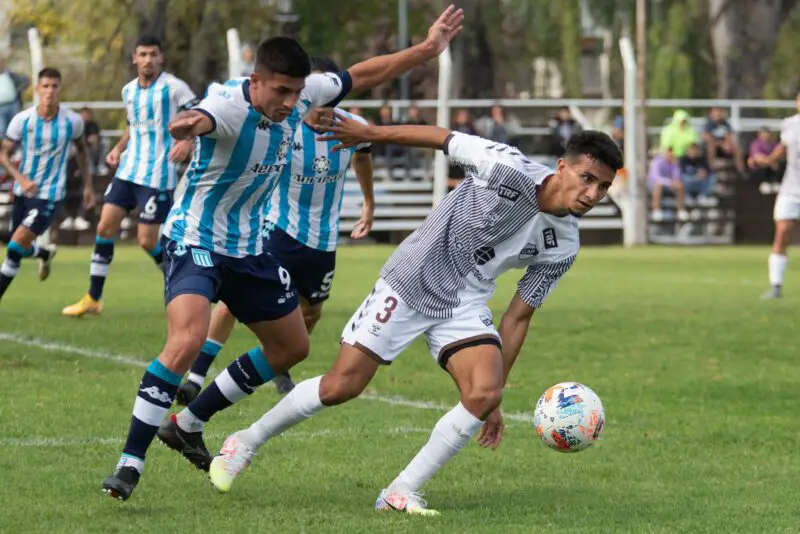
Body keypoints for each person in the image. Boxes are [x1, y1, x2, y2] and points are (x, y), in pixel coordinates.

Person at [101, 5, 464, 502]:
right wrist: (186, 128)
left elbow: (365, 72)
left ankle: (187, 423)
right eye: (280, 92)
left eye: (297, 92)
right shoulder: (229, 106)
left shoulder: (303, 96)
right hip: (196, 239)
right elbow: (200, 116)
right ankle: (130, 460)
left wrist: (426, 49)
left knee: (292, 348)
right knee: (185, 339)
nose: (290, 103)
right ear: (256, 81)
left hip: (249, 248)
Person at [201, 114, 623, 515]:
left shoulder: (564, 244)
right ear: (563, 166)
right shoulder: (505, 168)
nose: (592, 194)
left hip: (466, 299)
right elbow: (441, 138)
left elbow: (516, 318)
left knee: (482, 391)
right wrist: (372, 133)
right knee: (342, 385)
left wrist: (494, 396)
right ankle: (245, 441)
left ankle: (400, 491)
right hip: (412, 278)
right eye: (587, 178)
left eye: (603, 187)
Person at [174, 55, 375, 402]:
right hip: (278, 227)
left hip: (323, 238)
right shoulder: (285, 126)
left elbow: (364, 153)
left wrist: (369, 203)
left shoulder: (351, 126)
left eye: (334, 100)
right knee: (235, 300)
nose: (327, 107)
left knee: (311, 311)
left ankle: (279, 361)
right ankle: (196, 374)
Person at [62, 36, 196, 317]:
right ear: (134, 58)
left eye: (153, 54)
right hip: (128, 170)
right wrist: (118, 148)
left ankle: (182, 282)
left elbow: (200, 114)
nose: (148, 59)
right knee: (104, 228)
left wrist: (187, 141)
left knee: (147, 240)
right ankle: (93, 298)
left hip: (158, 173)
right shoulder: (128, 91)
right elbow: (134, 125)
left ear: (161, 58)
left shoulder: (174, 88)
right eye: (142, 54)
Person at [0, 68, 94, 302]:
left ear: (60, 89)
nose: (50, 91)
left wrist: (88, 186)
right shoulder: (22, 120)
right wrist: (20, 179)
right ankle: (43, 252)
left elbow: (82, 152)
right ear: (37, 89)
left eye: (54, 86)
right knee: (17, 248)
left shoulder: (72, 121)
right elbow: (4, 155)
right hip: (23, 192)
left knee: (14, 247)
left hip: (50, 195)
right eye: (45, 86)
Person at [760, 91, 800, 300]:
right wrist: (767, 160)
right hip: (791, 189)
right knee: (782, 233)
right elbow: (782, 149)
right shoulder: (789, 124)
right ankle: (776, 286)